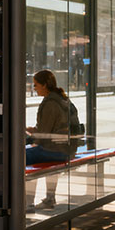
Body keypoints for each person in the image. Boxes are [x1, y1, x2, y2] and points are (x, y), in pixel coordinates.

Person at [25, 70, 79, 210]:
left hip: (57, 150)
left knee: (23, 156)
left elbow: (44, 135)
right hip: (67, 148)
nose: (34, 88)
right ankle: (50, 198)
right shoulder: (62, 98)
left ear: (44, 85)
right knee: (36, 155)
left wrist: (29, 134)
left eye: (36, 85)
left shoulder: (50, 103)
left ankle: (27, 203)